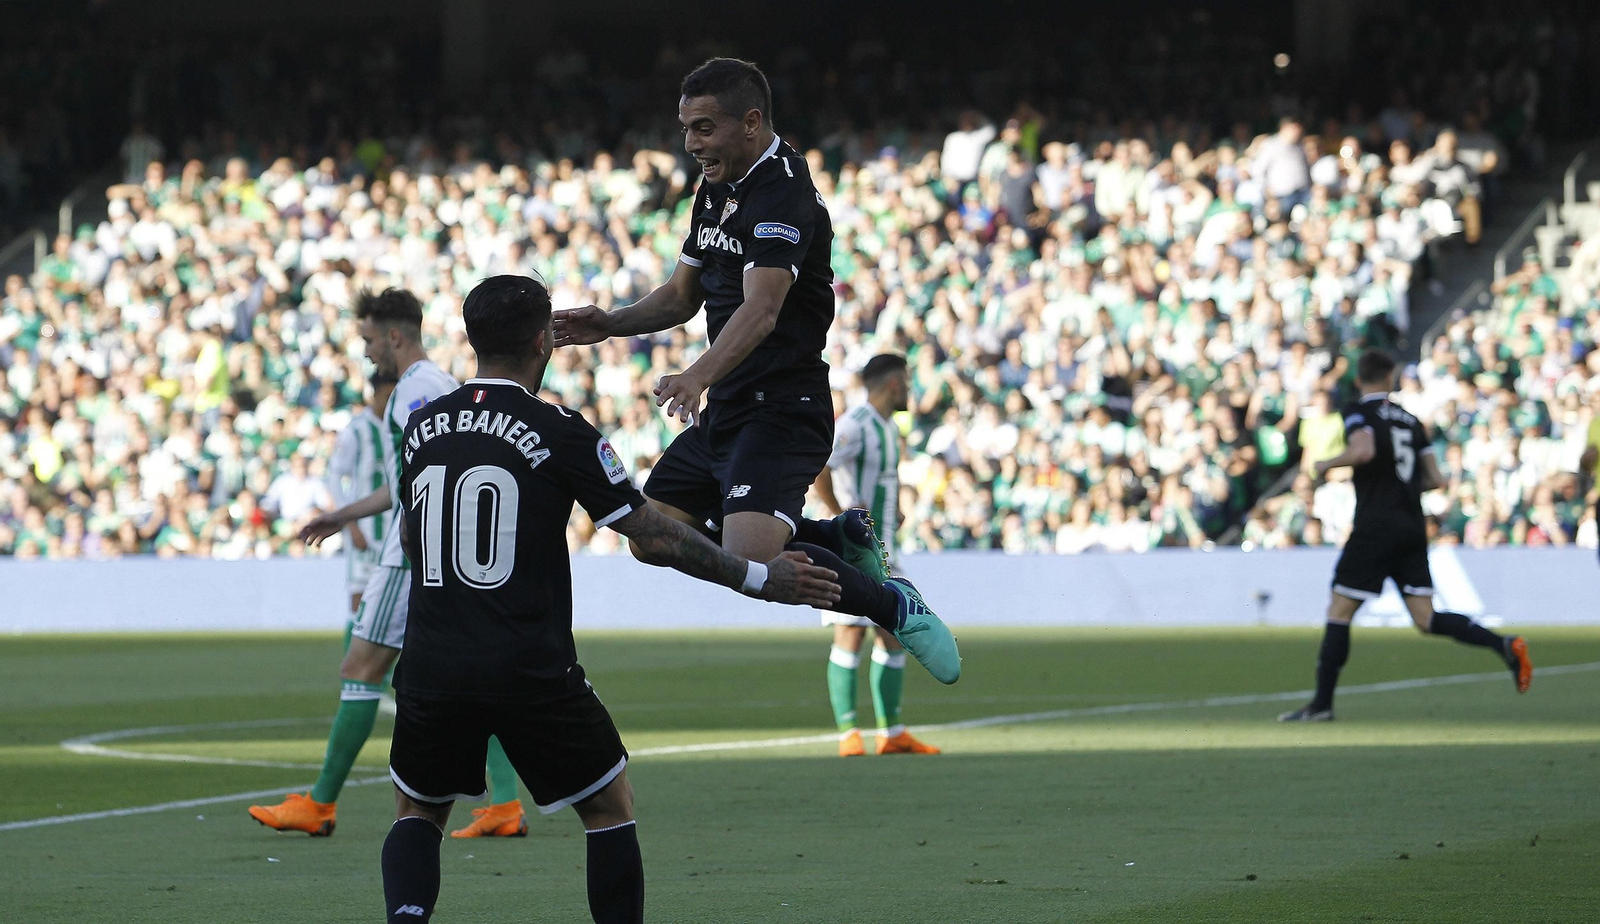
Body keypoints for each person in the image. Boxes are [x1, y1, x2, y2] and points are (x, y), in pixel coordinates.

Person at [379, 275, 841, 924]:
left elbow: (411, 536)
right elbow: (650, 534)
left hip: (433, 659)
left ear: (471, 339)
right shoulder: (561, 429)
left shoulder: (424, 428)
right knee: (607, 805)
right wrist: (759, 577)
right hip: (527, 663)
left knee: (419, 810)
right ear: (543, 340)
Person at [553, 57, 960, 686]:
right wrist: (611, 321)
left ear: (750, 123)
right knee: (653, 536)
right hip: (732, 407)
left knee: (752, 563)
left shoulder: (783, 192)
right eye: (687, 128)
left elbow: (763, 311)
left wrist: (696, 375)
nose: (692, 145)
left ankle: (893, 603)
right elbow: (681, 296)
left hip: (783, 408)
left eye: (704, 128)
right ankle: (834, 534)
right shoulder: (718, 188)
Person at [248, 288, 528, 839]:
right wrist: (342, 515)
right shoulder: (442, 384)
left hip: (409, 558)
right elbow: (412, 481)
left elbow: (424, 481)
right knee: (466, 677)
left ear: (395, 336)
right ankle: (506, 804)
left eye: (371, 340)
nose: (368, 351)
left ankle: (321, 804)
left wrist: (412, 543)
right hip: (442, 552)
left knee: (360, 669)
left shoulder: (413, 393)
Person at [1279, 350, 1532, 722]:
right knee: (1425, 618)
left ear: (1360, 379)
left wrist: (1325, 463)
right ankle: (1504, 645)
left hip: (1375, 525)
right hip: (1412, 526)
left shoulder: (1358, 411)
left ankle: (1321, 705)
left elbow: (1363, 450)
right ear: (1391, 376)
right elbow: (1435, 479)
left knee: (1339, 609)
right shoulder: (1412, 421)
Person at [812, 354, 938, 756]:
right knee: (850, 633)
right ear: (894, 384)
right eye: (907, 381)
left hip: (885, 548)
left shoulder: (886, 427)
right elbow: (821, 467)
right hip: (852, 551)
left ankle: (892, 732)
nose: (910, 390)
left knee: (894, 633)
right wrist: (837, 515)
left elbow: (882, 479)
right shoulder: (857, 423)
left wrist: (894, 508)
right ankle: (849, 734)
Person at [326, 373, 396, 630]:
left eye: (394, 396)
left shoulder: (397, 427)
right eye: (387, 396)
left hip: (393, 529)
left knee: (397, 601)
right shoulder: (356, 430)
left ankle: (387, 669)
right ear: (373, 395)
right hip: (364, 531)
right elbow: (335, 478)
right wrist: (350, 523)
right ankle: (352, 669)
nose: (390, 402)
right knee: (359, 598)